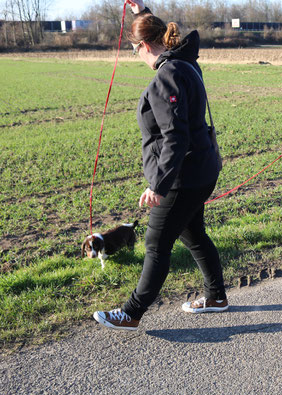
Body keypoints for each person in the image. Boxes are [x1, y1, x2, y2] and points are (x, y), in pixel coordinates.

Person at [93, 0, 229, 331]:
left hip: (184, 177)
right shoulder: (185, 62)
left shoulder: (167, 76)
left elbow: (175, 138)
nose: (135, 55)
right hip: (202, 169)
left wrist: (158, 186)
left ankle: (132, 312)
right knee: (194, 234)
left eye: (134, 48)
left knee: (155, 244)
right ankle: (216, 298)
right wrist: (142, 10)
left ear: (143, 46)